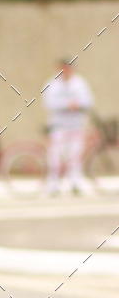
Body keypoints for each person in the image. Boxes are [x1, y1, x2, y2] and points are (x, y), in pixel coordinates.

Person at [42, 58, 94, 196]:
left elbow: (88, 101)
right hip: (58, 126)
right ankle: (53, 185)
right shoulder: (52, 84)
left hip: (76, 125)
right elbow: (48, 103)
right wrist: (67, 105)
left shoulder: (80, 83)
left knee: (75, 155)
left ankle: (75, 183)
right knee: (55, 156)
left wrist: (78, 105)